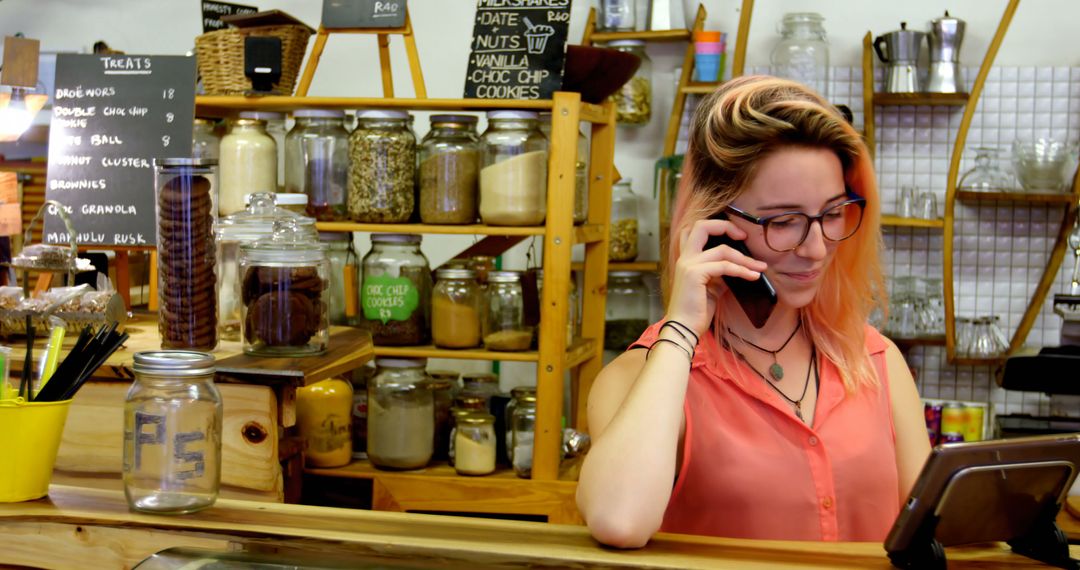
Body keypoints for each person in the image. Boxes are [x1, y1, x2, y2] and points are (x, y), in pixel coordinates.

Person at [576, 76, 931, 548]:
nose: (817, 248)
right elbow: (618, 519)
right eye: (784, 221)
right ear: (714, 224)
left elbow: (929, 531)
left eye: (831, 213)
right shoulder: (640, 377)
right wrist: (681, 328)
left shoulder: (875, 360)